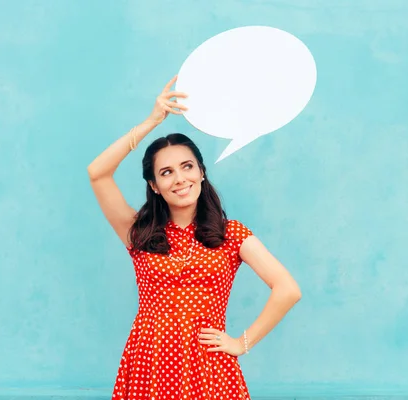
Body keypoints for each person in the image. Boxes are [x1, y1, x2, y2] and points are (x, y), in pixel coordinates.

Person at [87, 75, 302, 399]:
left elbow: (288, 290)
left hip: (208, 367)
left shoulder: (231, 234)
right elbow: (97, 172)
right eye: (166, 172)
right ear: (154, 185)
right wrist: (151, 121)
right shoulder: (140, 233)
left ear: (201, 171)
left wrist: (241, 343)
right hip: (149, 364)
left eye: (187, 166)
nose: (180, 179)